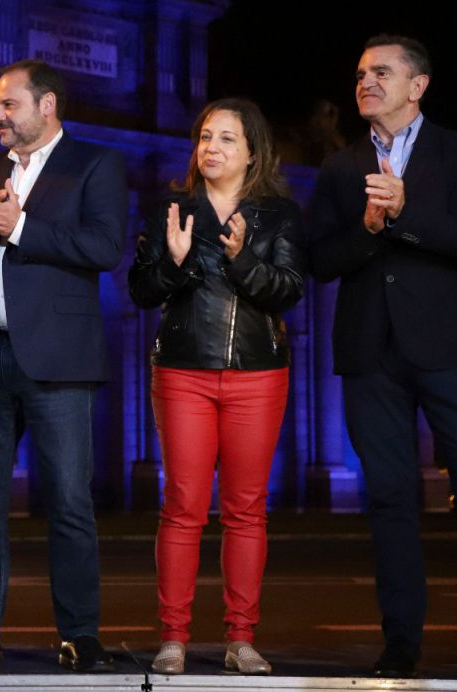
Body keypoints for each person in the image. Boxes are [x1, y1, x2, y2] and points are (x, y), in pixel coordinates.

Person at [309, 36, 457, 691]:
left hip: (450, 350)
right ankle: (400, 645)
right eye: (360, 73)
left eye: (381, 72)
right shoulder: (340, 167)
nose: (366, 82)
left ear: (418, 86)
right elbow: (319, 260)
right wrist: (367, 228)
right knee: (390, 500)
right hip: (370, 353)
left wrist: (403, 213)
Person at [0, 59, 127, 673]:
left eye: (7, 104)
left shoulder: (94, 164)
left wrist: (18, 227)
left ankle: (80, 634)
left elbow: (104, 247)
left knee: (68, 502)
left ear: (47, 105)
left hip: (59, 361)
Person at [128, 98, 305, 675]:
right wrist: (176, 262)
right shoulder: (171, 210)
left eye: (227, 138)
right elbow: (142, 290)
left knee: (246, 509)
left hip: (258, 374)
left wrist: (242, 260)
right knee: (183, 506)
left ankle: (241, 638)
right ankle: (173, 638)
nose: (212, 148)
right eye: (206, 136)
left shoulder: (278, 214)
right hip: (183, 372)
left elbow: (288, 288)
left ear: (252, 152)